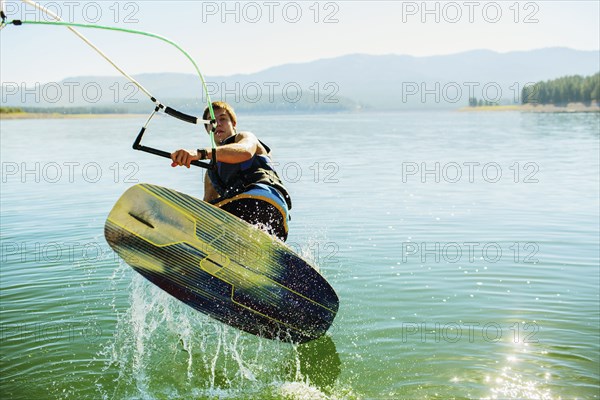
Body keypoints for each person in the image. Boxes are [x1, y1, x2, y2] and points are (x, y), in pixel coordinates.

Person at [170, 101, 292, 241]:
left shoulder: (245, 137)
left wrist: (199, 153)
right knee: (204, 220)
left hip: (262, 201)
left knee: (195, 223)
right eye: (212, 121)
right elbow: (207, 207)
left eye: (223, 119)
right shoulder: (211, 171)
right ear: (207, 129)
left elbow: (245, 152)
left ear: (233, 124)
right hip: (273, 223)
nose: (217, 124)